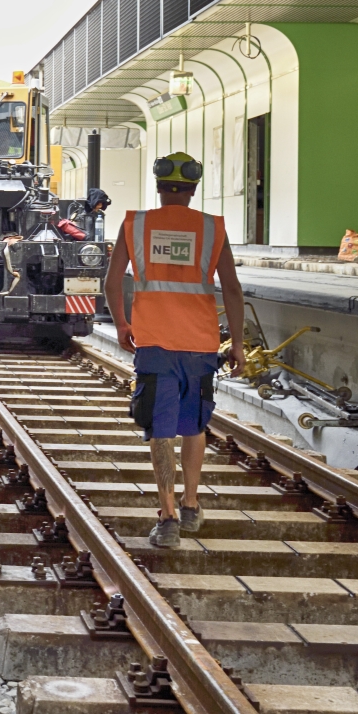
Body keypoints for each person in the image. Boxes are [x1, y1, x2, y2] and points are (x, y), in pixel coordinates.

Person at [103, 151, 245, 548]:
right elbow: (232, 289)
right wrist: (237, 343)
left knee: (160, 431)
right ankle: (191, 504)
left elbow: (113, 283)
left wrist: (121, 324)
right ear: (193, 189)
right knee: (194, 426)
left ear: (159, 186)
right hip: (200, 345)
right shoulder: (212, 228)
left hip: (154, 345)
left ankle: (167, 519)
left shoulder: (136, 224)